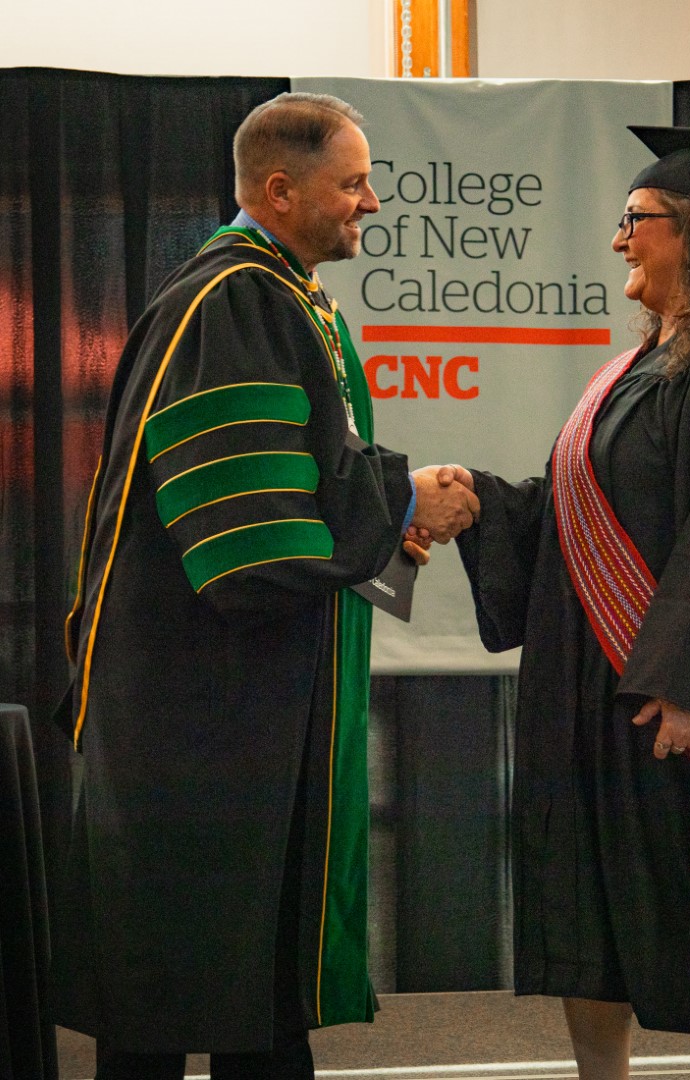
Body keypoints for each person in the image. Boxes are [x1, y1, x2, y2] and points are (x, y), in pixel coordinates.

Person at [51, 92, 475, 1080]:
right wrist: (399, 500)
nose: (372, 201)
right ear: (280, 190)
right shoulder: (233, 299)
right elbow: (247, 533)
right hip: (198, 716)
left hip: (233, 708)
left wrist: (385, 523)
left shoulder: (280, 294)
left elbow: (298, 480)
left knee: (247, 988)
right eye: (352, 182)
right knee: (170, 999)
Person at [429, 127, 690, 1080]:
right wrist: (484, 501)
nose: (617, 241)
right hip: (581, 692)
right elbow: (576, 512)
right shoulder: (632, 369)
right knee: (584, 917)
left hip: (660, 703)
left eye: (635, 220)